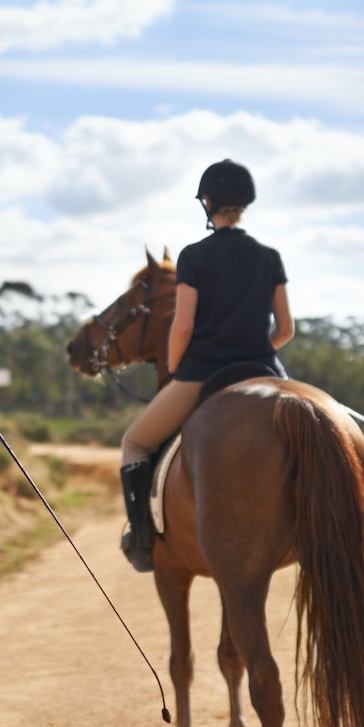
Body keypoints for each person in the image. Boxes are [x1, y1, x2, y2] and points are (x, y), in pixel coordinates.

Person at [118, 159, 295, 572]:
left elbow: (181, 327)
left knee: (135, 443)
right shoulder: (269, 256)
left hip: (202, 373)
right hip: (265, 369)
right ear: (245, 203)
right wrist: (255, 349)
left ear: (208, 203)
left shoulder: (194, 256)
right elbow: (285, 328)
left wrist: (179, 369)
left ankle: (142, 538)